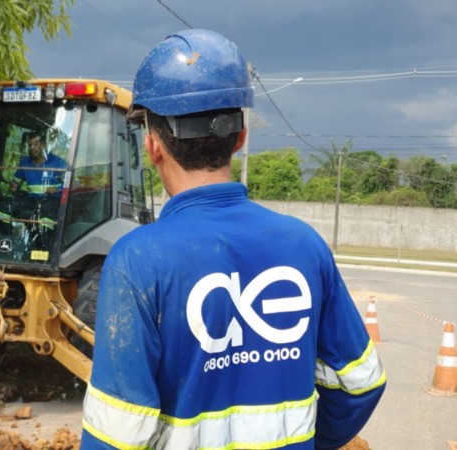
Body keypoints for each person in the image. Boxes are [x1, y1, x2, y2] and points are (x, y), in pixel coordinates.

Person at [81, 29, 385, 450]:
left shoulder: (136, 261)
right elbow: (361, 383)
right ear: (240, 138)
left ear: (153, 146)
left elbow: (113, 435)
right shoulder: (305, 246)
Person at [11, 131, 67, 198]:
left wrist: (58, 189)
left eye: (36, 144)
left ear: (44, 145)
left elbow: (71, 185)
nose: (32, 148)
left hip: (52, 202)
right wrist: (13, 186)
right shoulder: (25, 163)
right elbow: (15, 183)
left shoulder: (58, 163)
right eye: (30, 145)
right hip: (31, 203)